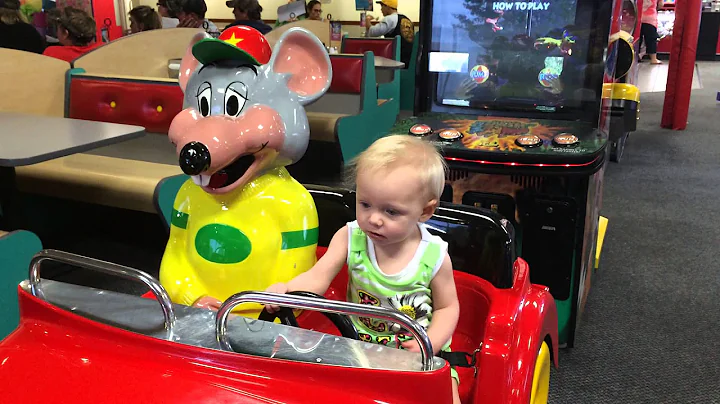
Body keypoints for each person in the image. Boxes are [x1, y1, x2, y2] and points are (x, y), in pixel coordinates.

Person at [265, 135, 462, 404]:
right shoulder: (350, 237)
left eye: (391, 212)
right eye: (365, 204)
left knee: (445, 397)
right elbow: (318, 277)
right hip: (359, 345)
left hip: (420, 352)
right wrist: (286, 292)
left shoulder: (433, 255)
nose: (374, 219)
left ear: (425, 212)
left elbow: (447, 308)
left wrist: (430, 343)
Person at [365, 0, 414, 67]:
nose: (381, 9)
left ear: (387, 7)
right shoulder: (406, 19)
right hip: (409, 60)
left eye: (382, 6)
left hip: (397, 61)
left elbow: (373, 32)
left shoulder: (390, 19)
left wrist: (367, 19)